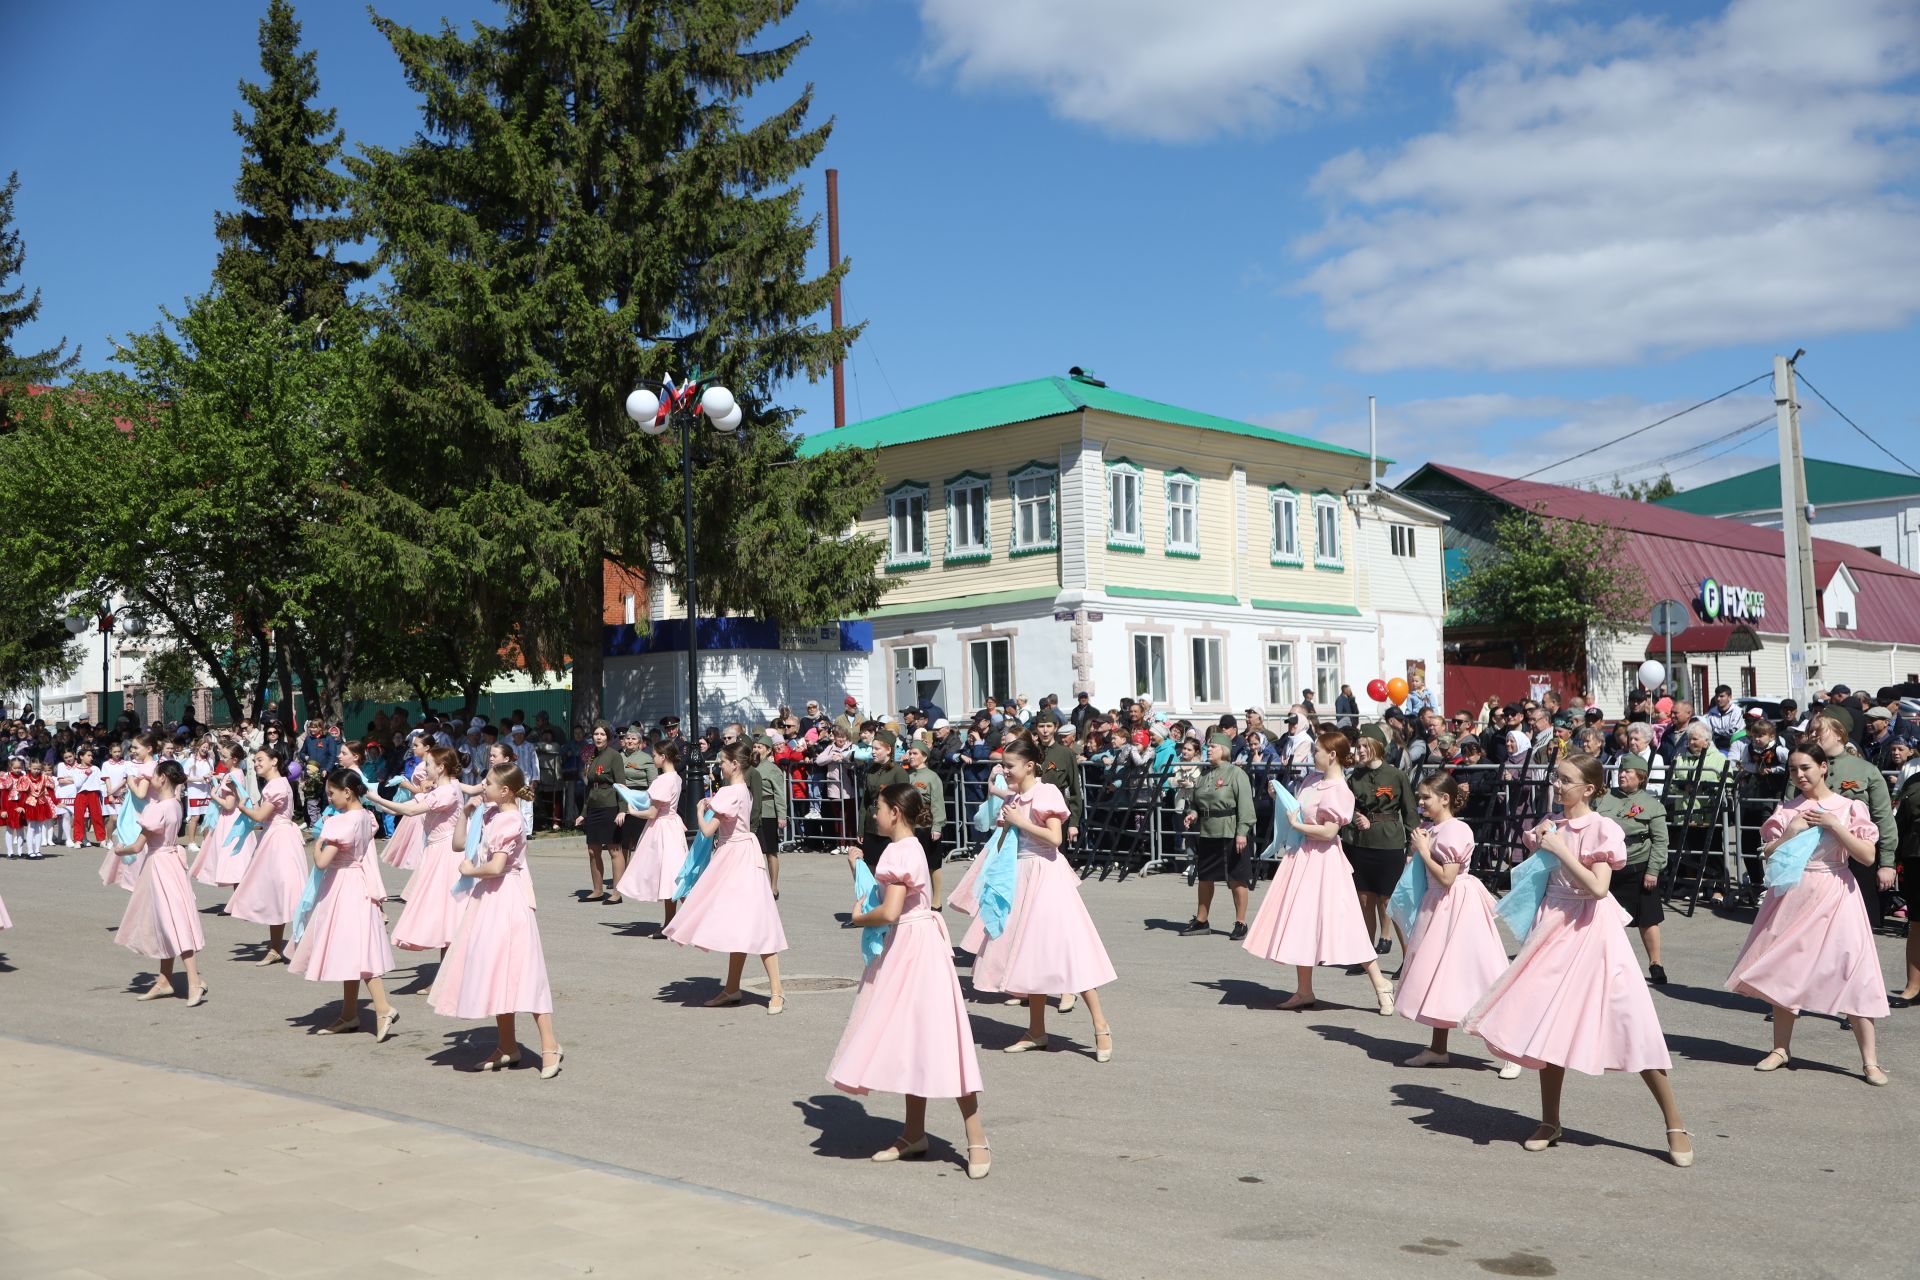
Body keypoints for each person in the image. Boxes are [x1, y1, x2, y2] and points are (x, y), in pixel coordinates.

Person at [1460, 754, 1691, 1166]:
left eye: (1567, 780)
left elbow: (1599, 889)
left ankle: (1674, 1123)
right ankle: (1550, 1120)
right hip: (1553, 927)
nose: (1558, 784)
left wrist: (1561, 849)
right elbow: (1539, 876)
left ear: (1589, 789)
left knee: (1631, 1022)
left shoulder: (1603, 828)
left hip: (1593, 931)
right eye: (1557, 778)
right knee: (1548, 1021)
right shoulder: (1553, 824)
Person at [828, 784, 990, 1179]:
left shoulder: (899, 852)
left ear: (895, 813)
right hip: (916, 944)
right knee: (913, 1036)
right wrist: (859, 870)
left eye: (879, 809)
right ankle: (914, 1133)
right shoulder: (910, 846)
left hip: (913, 949)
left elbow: (890, 910)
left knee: (936, 1037)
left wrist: (857, 917)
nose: (875, 816)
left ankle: (976, 1139)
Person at [1725, 743, 1889, 1085]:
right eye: (1794, 770)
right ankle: (1780, 1049)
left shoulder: (1848, 807)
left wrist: (1835, 825)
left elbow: (1867, 857)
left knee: (1852, 969)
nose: (1799, 775)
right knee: (1785, 968)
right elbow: (1768, 854)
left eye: (1806, 768)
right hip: (1795, 893)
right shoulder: (1788, 810)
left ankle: (1870, 1061)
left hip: (1836, 890)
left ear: (1824, 767)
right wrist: (1789, 832)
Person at [959, 736, 1116, 1060]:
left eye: (1010, 766)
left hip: (1046, 876)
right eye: (1003, 765)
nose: (1005, 771)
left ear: (1030, 765)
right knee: (1030, 953)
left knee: (1066, 950)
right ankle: (1036, 1030)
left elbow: (1055, 839)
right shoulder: (1018, 796)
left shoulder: (1046, 792)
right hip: (1021, 876)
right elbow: (1007, 839)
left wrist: (1019, 822)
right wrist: (1007, 824)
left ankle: (1101, 1026)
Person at [1241, 731, 1395, 1014]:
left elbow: (1329, 832)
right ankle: (1304, 990)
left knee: (1344, 922)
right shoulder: (1313, 780)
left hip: (1324, 861)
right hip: (1303, 857)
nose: (1313, 756)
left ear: (1332, 755)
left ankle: (1380, 982)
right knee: (1301, 921)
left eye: (1317, 751)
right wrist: (1282, 797)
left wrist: (1297, 826)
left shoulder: (1340, 790)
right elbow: (1298, 810)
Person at [432, 764, 562, 1078]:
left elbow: (496, 867)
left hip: (507, 898)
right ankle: (507, 1045)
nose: (482, 786)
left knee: (522, 970)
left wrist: (468, 871)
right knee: (495, 971)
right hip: (489, 900)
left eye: (488, 783)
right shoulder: (491, 814)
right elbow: (458, 844)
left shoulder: (511, 820)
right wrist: (466, 812)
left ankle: (550, 1045)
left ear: (504, 790)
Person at [1398, 772, 1514, 1075]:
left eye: (1426, 797)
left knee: (1474, 972)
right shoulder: (1433, 829)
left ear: (1445, 799)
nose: (1421, 802)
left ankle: (1510, 1050)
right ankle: (1438, 1048)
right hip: (1437, 905)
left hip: (1456, 905)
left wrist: (1422, 850)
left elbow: (1448, 877)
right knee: (1439, 974)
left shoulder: (1455, 830)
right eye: (1420, 797)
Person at [664, 741, 788, 1013]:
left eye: (722, 761)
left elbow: (708, 831)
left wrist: (699, 810)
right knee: (741, 923)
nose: (719, 765)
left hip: (736, 856)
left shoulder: (731, 792)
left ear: (735, 764)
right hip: (741, 852)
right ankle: (733, 988)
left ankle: (776, 991)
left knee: (756, 921)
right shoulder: (741, 789)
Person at [289, 768, 400, 1041]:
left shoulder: (341, 822)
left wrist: (318, 841)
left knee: (357, 950)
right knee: (351, 950)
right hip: (358, 883)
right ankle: (349, 1013)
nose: (329, 798)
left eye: (331, 793)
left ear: (347, 792)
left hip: (342, 887)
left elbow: (322, 862)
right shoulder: (365, 816)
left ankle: (383, 1007)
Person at [111, 759, 209, 1007]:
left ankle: (193, 980)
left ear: (163, 777)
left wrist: (119, 849)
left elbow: (137, 845)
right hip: (170, 863)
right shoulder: (174, 804)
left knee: (173, 921)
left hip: (159, 865)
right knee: (166, 920)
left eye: (154, 775)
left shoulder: (158, 808)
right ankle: (165, 979)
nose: (150, 778)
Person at [376, 747, 466, 982]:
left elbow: (409, 810)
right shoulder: (443, 788)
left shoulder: (446, 792)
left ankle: (451, 977)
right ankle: (448, 975)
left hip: (446, 855)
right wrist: (369, 798)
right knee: (445, 915)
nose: (423, 768)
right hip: (437, 852)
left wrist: (373, 797)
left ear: (440, 767)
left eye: (427, 764)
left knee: (447, 914)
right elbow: (401, 807)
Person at [1810, 708, 1898, 930]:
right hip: (1815, 861)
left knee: (1859, 929)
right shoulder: (1802, 769)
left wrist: (1887, 863)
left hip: (1856, 858)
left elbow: (1884, 819)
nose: (1812, 737)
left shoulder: (1865, 771)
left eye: (1818, 731)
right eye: (1810, 732)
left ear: (1839, 733)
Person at [226, 745, 309, 965]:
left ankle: (304, 945)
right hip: (276, 837)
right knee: (278, 893)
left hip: (280, 840)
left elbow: (260, 815)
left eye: (260, 759)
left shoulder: (277, 786)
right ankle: (276, 948)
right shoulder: (275, 784)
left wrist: (241, 806)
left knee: (287, 890)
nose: (256, 763)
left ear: (274, 761)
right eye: (254, 761)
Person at [1595, 755, 1670, 985]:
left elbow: (1660, 841)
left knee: (1648, 919)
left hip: (1638, 867)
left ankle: (1655, 963)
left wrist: (1653, 870)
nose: (1623, 774)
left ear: (1641, 777)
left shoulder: (1651, 805)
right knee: (1602, 919)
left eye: (1628, 772)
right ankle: (1602, 964)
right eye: (1621, 771)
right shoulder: (1604, 799)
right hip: (1607, 868)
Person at [1343, 725, 1416, 958]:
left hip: (1389, 843)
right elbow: (1346, 808)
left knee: (1389, 902)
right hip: (1361, 844)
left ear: (1377, 746)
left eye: (1365, 746)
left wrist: (1412, 847)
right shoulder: (1355, 777)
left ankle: (1408, 958)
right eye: (1358, 746)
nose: (1360, 750)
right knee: (1364, 901)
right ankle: (1365, 957)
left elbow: (1410, 811)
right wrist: (1356, 818)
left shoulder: (1395, 775)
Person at [1180, 733, 1255, 939]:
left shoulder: (1236, 774)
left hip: (1231, 833)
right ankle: (1202, 921)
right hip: (1208, 833)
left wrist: (1242, 832)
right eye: (1208, 747)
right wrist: (1192, 814)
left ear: (1224, 750)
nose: (1209, 749)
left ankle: (1241, 923)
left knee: (1237, 879)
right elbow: (1195, 803)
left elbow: (1246, 807)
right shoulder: (1204, 775)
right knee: (1205, 877)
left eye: (1213, 746)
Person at [613, 739, 687, 930]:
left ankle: (687, 922)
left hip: (662, 829)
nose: (652, 758)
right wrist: (630, 793)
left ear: (663, 757)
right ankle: (672, 924)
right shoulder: (675, 777)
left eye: (654, 755)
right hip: (672, 825)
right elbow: (650, 799)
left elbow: (652, 812)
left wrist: (633, 811)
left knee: (669, 876)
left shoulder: (663, 780)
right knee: (672, 876)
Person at [573, 721, 628, 903]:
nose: (599, 737)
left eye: (602, 734)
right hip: (594, 807)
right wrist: (583, 813)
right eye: (596, 734)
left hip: (610, 805)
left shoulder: (614, 756)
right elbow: (589, 789)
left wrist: (622, 810)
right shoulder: (591, 757)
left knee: (614, 849)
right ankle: (597, 890)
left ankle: (617, 893)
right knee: (592, 850)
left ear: (608, 737)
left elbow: (621, 785)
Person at [902, 740, 947, 909]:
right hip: (910, 827)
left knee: (933, 864)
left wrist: (937, 826)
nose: (911, 756)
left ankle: (936, 900)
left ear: (924, 757)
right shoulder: (908, 775)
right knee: (914, 864)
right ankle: (918, 898)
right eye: (910, 753)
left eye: (915, 754)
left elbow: (937, 803)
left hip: (926, 826)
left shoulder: (931, 777)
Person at [750, 735, 785, 897]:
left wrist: (782, 816)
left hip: (768, 812)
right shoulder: (749, 767)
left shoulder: (772, 770)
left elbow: (779, 794)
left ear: (769, 750)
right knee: (753, 851)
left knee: (770, 851)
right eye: (755, 746)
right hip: (752, 812)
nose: (756, 750)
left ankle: (773, 887)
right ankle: (756, 885)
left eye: (760, 747)